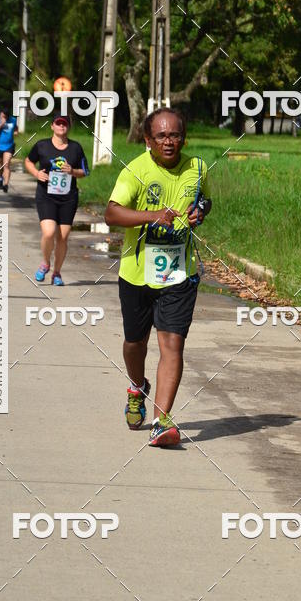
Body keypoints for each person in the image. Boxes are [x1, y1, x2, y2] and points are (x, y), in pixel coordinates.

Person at [104, 107, 212, 448]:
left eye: (176, 135)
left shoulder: (197, 167)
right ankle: (137, 386)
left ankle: (161, 421)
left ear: (184, 137)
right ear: (148, 140)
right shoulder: (135, 171)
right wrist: (153, 216)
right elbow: (111, 213)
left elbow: (204, 199)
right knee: (135, 343)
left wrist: (201, 211)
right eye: (162, 136)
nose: (170, 141)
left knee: (172, 344)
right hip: (137, 275)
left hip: (180, 273)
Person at [24, 114, 88, 286]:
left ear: (68, 127)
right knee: (49, 232)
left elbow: (85, 171)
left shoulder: (76, 148)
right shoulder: (42, 145)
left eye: (64, 124)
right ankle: (45, 263)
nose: (61, 127)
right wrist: (37, 173)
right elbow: (28, 161)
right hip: (46, 196)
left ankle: (57, 273)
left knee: (63, 237)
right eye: (58, 124)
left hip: (68, 198)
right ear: (52, 126)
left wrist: (72, 171)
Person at [0, 109, 18, 193]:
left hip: (9, 145)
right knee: (0, 165)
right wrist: (1, 123)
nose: (3, 117)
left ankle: (6, 184)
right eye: (2, 115)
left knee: (6, 165)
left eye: (5, 116)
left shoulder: (13, 120)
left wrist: (16, 132)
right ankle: (0, 178)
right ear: (0, 114)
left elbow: (16, 128)